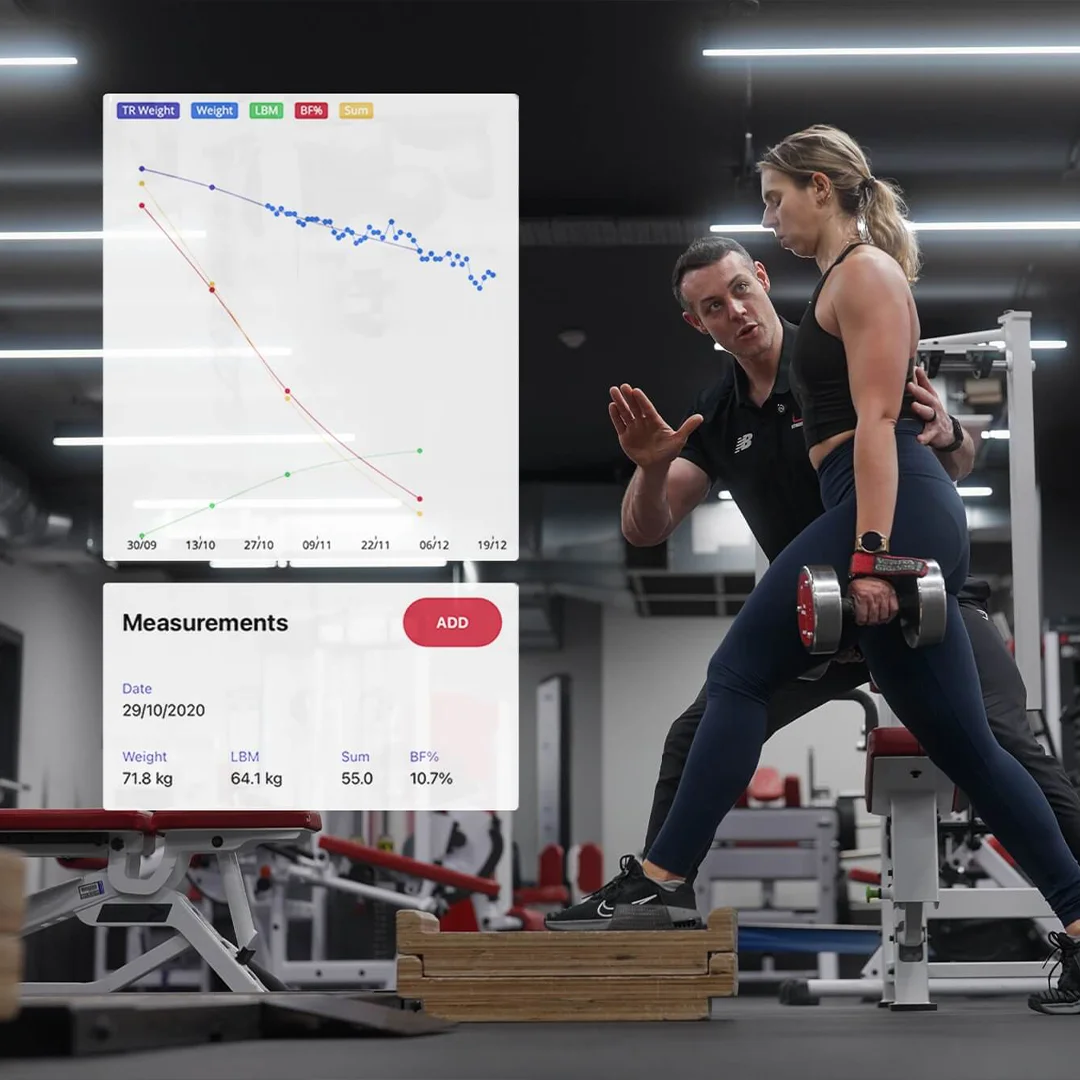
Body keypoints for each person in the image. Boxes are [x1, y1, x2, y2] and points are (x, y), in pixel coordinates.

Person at [547, 125, 1080, 1015]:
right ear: (701, 321)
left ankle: (662, 878)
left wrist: (876, 557)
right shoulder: (817, 308)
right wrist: (648, 464)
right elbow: (651, 524)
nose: (769, 217)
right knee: (968, 752)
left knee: (738, 674)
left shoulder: (861, 275)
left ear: (822, 187)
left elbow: (881, 429)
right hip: (876, 519)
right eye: (711, 303)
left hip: (882, 517)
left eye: (774, 198)